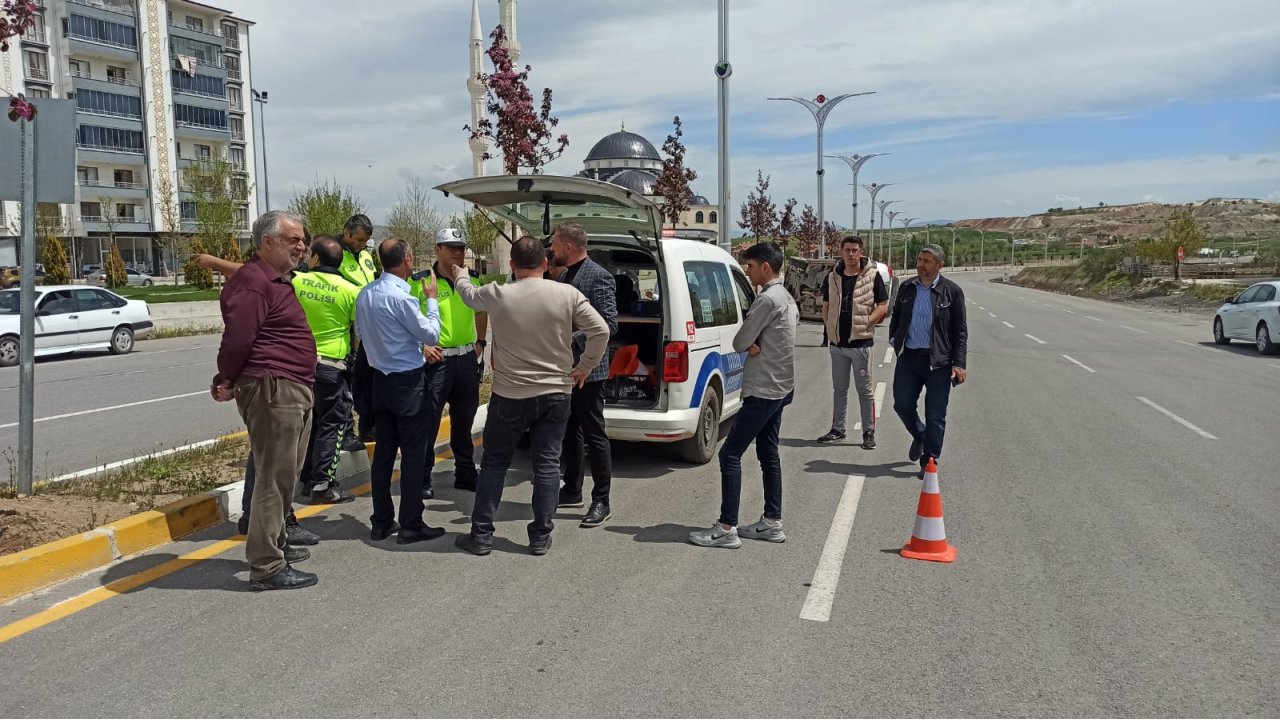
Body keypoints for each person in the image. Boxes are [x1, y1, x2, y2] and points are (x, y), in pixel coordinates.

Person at [446, 236, 609, 557]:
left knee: (494, 463)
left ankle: (481, 535)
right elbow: (601, 330)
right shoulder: (567, 294)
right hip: (556, 393)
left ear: (512, 265)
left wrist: (461, 274)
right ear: (546, 264)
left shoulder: (499, 293)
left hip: (510, 395)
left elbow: (468, 296)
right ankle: (540, 536)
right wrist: (584, 367)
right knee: (547, 464)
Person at [210, 210, 319, 591]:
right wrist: (226, 378)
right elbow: (238, 340)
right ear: (267, 241)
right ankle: (267, 566)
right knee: (273, 478)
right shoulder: (253, 282)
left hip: (290, 387)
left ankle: (276, 544)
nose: (301, 246)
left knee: (284, 476)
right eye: (293, 239)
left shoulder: (274, 279)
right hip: (274, 389)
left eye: (303, 240)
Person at [689, 242, 798, 549]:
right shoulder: (786, 297)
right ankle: (772, 522)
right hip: (781, 386)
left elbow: (739, 341)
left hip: (763, 388)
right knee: (768, 452)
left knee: (730, 454)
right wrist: (754, 341)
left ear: (766, 266)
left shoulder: (767, 299)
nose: (747, 272)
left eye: (749, 266)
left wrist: (750, 341)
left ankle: (726, 527)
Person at [355, 238, 444, 544]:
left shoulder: (366, 294)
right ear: (407, 259)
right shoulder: (402, 298)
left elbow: (361, 335)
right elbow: (430, 334)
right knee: (413, 455)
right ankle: (411, 523)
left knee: (383, 455)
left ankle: (381, 521)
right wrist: (431, 300)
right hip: (407, 383)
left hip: (380, 381)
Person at [408, 228, 488, 499]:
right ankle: (422, 475)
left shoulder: (471, 279)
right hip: (436, 361)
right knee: (428, 420)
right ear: (437, 249)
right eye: (451, 247)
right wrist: (423, 345)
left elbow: (480, 311)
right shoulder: (420, 281)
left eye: (461, 247)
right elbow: (408, 318)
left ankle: (465, 471)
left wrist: (480, 342)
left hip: (465, 359)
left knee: (464, 420)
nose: (457, 252)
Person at [549, 222, 618, 528]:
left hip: (589, 370)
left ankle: (601, 499)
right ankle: (572, 488)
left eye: (555, 243)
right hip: (566, 369)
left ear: (568, 246)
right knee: (569, 430)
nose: (552, 249)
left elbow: (609, 324)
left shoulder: (598, 276)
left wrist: (570, 340)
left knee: (594, 433)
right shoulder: (564, 276)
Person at [888, 243, 968, 479]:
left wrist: (959, 363)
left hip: (938, 363)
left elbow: (960, 331)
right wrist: (895, 340)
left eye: (926, 261)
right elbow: (896, 317)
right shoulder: (907, 287)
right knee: (902, 405)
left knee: (936, 414)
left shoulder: (952, 291)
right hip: (909, 358)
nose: (920, 264)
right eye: (919, 260)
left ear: (939, 265)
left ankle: (929, 459)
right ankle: (920, 435)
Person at [292, 236, 361, 505]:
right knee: (332, 424)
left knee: (307, 423)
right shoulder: (351, 290)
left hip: (298, 365)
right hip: (332, 367)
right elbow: (358, 331)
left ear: (316, 258)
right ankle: (322, 484)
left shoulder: (296, 281)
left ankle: (308, 478)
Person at [816, 236, 889, 449]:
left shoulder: (872, 276)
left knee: (865, 390)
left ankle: (868, 431)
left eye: (855, 250)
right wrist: (829, 326)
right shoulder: (832, 277)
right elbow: (826, 304)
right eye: (847, 250)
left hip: (861, 345)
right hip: (838, 345)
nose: (851, 254)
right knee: (839, 389)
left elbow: (883, 305)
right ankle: (838, 429)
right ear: (841, 251)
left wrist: (868, 321)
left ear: (861, 252)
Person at [338, 214, 380, 445]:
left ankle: (367, 426)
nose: (363, 245)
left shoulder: (365, 255)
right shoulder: (334, 253)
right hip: (346, 326)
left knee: (366, 380)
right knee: (345, 382)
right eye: (359, 240)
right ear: (347, 233)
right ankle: (345, 432)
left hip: (368, 326)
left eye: (365, 241)